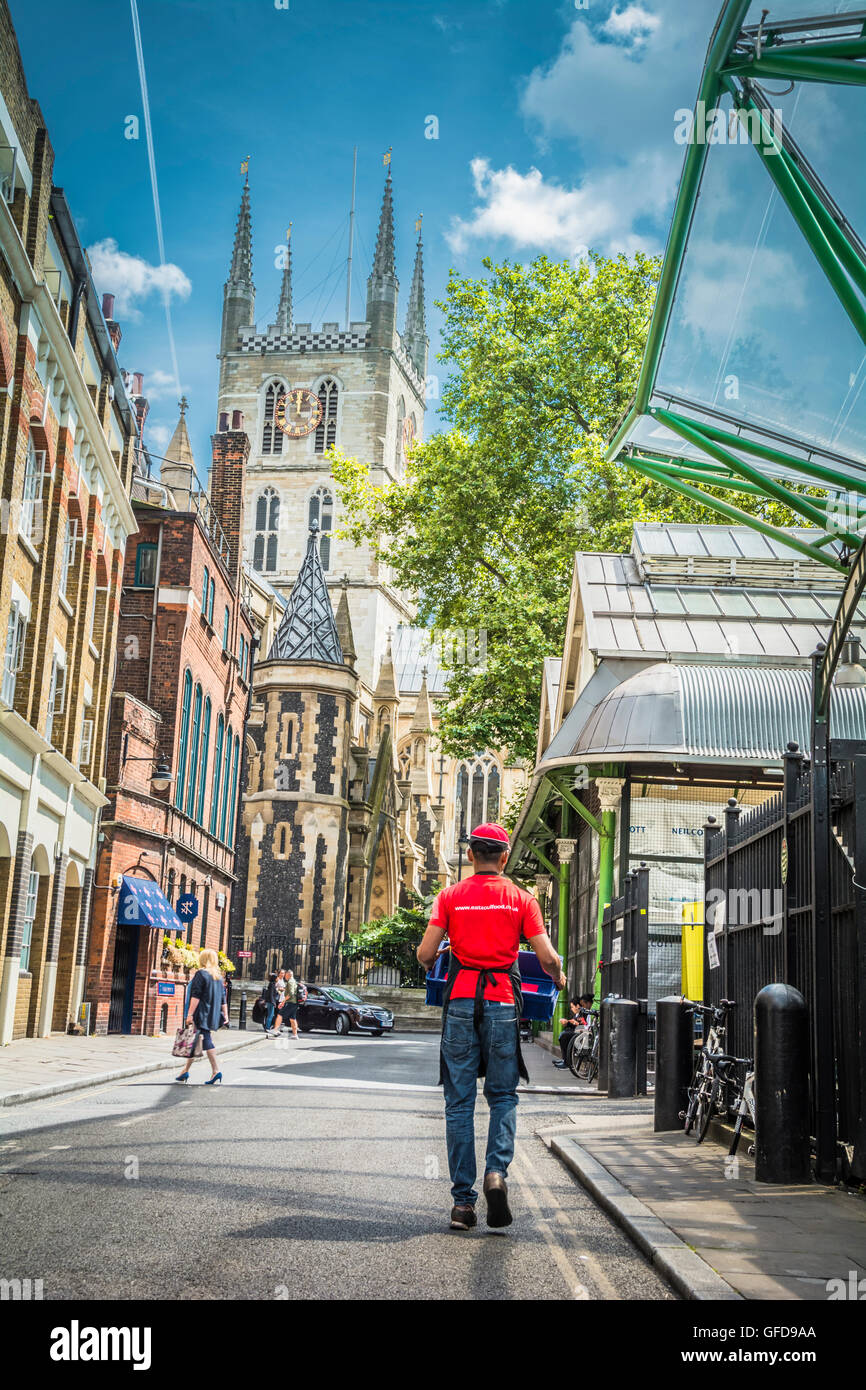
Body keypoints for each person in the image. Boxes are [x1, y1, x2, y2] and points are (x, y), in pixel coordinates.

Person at [416, 822, 566, 1232]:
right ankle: (495, 1173)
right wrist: (558, 976)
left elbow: (426, 952)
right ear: (503, 858)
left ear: (470, 857)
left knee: (459, 1102)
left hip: (461, 1001)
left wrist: (433, 957)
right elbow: (547, 956)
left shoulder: (449, 896)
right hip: (501, 1001)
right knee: (502, 1096)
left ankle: (462, 1205)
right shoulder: (522, 899)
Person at [175, 948, 229, 1085]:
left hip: (201, 1013)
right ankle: (185, 1071)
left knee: (206, 1040)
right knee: (195, 1041)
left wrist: (190, 1014)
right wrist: (226, 1016)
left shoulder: (201, 974)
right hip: (213, 1015)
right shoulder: (218, 977)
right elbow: (223, 1000)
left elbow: (196, 996)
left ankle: (216, 1070)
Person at [553, 993, 594, 1069]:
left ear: (588, 1003)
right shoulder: (584, 1012)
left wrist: (574, 1024)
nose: (582, 1007)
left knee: (565, 1036)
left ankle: (567, 1062)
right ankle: (565, 1060)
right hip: (581, 1032)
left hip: (584, 1034)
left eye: (583, 1005)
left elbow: (586, 1026)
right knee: (564, 1034)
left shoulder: (589, 1013)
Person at [271, 968, 300, 1039]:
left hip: (290, 1003)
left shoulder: (290, 982)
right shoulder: (294, 981)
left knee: (280, 1015)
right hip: (295, 1003)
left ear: (288, 975)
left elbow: (291, 993)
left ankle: (275, 1030)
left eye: (285, 975)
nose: (284, 976)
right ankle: (295, 1035)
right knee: (293, 1019)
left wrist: (283, 1002)